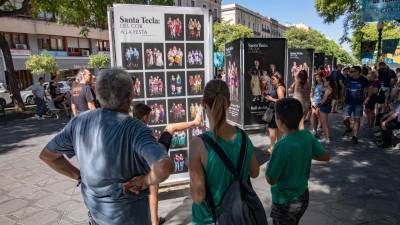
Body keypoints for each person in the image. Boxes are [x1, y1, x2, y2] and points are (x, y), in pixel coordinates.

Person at [39, 68, 175, 225]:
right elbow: (164, 166)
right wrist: (145, 181)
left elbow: (47, 156)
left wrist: (79, 176)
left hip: (96, 218)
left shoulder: (78, 123)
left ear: (97, 93)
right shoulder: (136, 129)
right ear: (130, 96)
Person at [189, 80, 260, 225]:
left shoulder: (198, 144)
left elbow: (198, 197)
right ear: (228, 103)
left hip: (209, 218)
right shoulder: (243, 137)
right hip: (239, 216)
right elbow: (255, 172)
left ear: (204, 103)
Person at [132, 103, 202, 225]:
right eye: (149, 116)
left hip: (149, 154)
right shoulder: (144, 130)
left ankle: (195, 122)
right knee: (153, 189)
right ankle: (154, 222)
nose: (149, 119)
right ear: (144, 117)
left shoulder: (130, 128)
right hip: (152, 156)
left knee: (170, 128)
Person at [266, 97, 330, 225]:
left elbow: (271, 179)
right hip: (302, 196)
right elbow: (325, 156)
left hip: (285, 201)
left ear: (280, 121)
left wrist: (270, 165)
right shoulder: (307, 136)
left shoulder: (281, 145)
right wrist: (302, 153)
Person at [343, 66, 370, 144]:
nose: (350, 73)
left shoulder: (363, 80)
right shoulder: (348, 79)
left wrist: (367, 99)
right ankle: (348, 128)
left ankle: (355, 136)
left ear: (357, 72)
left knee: (356, 119)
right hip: (348, 102)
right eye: (349, 71)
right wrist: (342, 98)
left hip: (358, 103)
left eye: (352, 71)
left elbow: (369, 90)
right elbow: (344, 89)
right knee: (345, 119)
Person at [265, 73, 286, 154]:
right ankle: (277, 148)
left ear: (278, 79)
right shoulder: (278, 87)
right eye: (271, 79)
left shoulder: (279, 88)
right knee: (278, 131)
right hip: (274, 111)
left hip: (275, 111)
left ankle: (272, 148)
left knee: (272, 130)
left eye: (273, 79)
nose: (272, 81)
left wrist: (271, 98)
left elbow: (282, 101)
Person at [311, 72, 333, 144]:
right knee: (324, 122)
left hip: (324, 106)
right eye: (316, 77)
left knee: (324, 123)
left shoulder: (327, 89)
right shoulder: (326, 88)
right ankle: (327, 136)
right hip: (324, 106)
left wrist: (318, 105)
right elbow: (314, 93)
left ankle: (327, 138)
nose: (317, 79)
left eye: (319, 77)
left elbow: (323, 100)